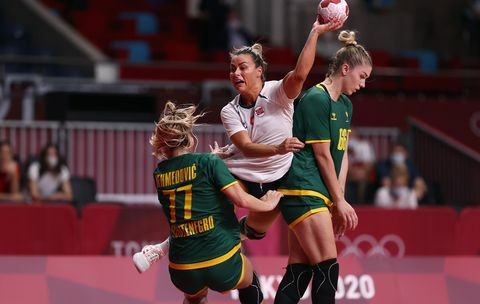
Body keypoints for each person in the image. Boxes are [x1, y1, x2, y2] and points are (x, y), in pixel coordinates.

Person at [133, 17, 344, 270]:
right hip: (246, 172)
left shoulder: (278, 92)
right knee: (205, 202)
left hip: (281, 175)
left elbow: (300, 73)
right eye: (232, 69)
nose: (236, 73)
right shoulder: (229, 110)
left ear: (259, 72)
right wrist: (275, 148)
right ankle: (160, 249)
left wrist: (315, 32)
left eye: (242, 67)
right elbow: (246, 147)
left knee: (255, 231)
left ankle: (224, 241)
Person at [134, 101, 282, 304]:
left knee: (194, 298)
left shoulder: (159, 174)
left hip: (182, 268)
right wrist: (268, 204)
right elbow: (240, 198)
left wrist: (210, 160)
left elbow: (189, 184)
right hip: (220, 260)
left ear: (162, 143)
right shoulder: (208, 163)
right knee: (250, 281)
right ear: (190, 137)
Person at [274, 30, 370, 304]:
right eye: (361, 76)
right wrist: (338, 201)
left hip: (317, 194)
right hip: (302, 190)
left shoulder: (346, 105)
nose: (363, 84)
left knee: (299, 273)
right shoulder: (317, 99)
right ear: (345, 68)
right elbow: (323, 155)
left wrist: (337, 200)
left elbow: (342, 156)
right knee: (328, 269)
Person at [346, 126, 376, 204]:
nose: (351, 137)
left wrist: (362, 172)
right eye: (349, 135)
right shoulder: (343, 146)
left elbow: (370, 163)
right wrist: (351, 171)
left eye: (352, 135)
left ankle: (361, 203)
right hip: (347, 173)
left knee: (362, 179)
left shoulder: (364, 145)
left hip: (363, 173)